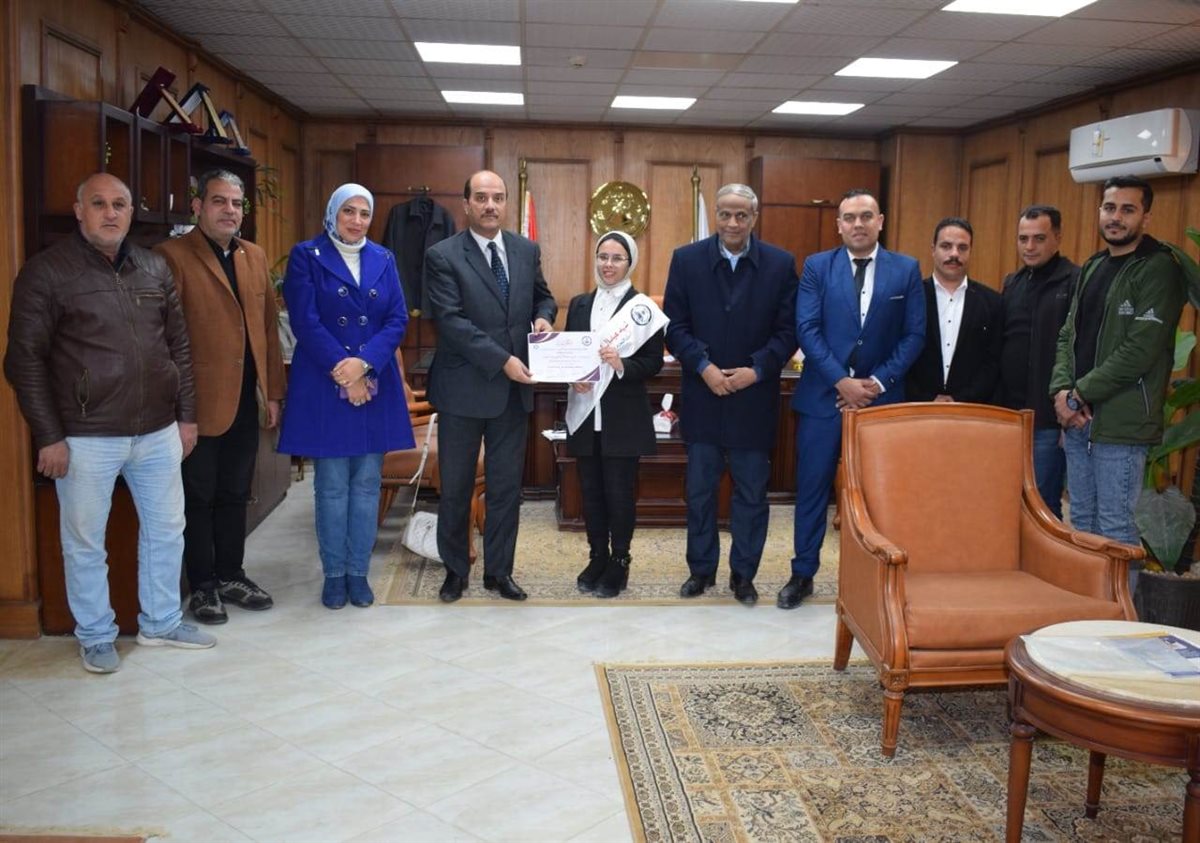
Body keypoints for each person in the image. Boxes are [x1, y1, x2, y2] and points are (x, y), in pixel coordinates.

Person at [4, 173, 215, 673]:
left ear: (130, 212)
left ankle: (161, 622)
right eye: (98, 203)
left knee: (167, 530)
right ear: (79, 210)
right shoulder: (47, 272)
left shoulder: (153, 266)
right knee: (84, 541)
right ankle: (96, 634)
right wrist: (49, 436)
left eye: (119, 204)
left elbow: (179, 347)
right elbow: (23, 361)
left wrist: (186, 417)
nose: (110, 213)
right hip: (85, 436)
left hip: (158, 431)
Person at [155, 169, 287, 624]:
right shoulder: (172, 256)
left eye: (236, 203)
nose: (229, 210)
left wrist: (272, 393)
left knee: (235, 493)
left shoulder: (253, 255)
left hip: (245, 402)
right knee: (198, 497)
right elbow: (167, 341)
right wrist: (180, 413)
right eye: (219, 201)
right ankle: (203, 586)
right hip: (197, 406)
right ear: (197, 206)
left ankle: (232, 575)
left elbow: (267, 331)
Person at [277, 183, 414, 610]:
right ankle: (335, 575)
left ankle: (359, 572)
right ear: (332, 213)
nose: (356, 220)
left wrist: (364, 365)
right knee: (333, 486)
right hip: (325, 383)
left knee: (368, 483)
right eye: (348, 211)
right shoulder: (307, 255)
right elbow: (305, 321)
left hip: (374, 382)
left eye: (364, 213)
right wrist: (344, 370)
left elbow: (397, 319)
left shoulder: (383, 258)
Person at [423, 170, 557, 603]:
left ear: (506, 203)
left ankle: (500, 573)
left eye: (498, 198)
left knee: (505, 489)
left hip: (512, 397)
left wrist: (544, 318)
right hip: (463, 390)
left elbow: (543, 296)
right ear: (466, 204)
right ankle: (455, 571)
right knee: (456, 488)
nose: (490, 205)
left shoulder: (525, 249)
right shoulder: (443, 255)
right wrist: (504, 361)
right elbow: (452, 322)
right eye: (481, 198)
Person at [663, 183, 798, 607]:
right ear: (716, 216)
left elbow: (788, 331)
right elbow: (674, 327)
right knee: (700, 492)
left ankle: (743, 575)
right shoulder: (686, 260)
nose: (733, 223)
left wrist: (756, 370)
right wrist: (703, 366)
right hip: (703, 397)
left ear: (754, 217)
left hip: (753, 401)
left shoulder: (780, 264)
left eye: (742, 215)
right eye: (725, 214)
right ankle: (701, 570)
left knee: (751, 496)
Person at [789, 188, 924, 609]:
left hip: (881, 402)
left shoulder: (906, 269)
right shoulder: (817, 267)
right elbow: (806, 328)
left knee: (879, 494)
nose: (858, 224)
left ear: (880, 221)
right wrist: (841, 382)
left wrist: (875, 383)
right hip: (823, 399)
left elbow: (914, 334)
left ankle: (878, 576)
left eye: (866, 216)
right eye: (849, 217)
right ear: (839, 225)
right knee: (812, 489)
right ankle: (802, 573)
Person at [1050, 175, 1186, 560]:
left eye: (1128, 209)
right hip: (1078, 421)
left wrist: (1078, 395)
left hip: (1120, 426)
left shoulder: (1158, 269)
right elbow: (1068, 334)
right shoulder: (1094, 265)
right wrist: (1061, 391)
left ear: (1146, 217)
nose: (1116, 217)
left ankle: (1122, 603)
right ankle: (1088, 601)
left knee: (1116, 530)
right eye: (1110, 208)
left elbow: (1139, 351)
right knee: (1082, 523)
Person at [565, 230, 667, 598]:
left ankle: (620, 560)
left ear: (630, 263)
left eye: (616, 258)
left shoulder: (643, 309)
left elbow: (653, 363)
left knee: (619, 493)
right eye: (603, 257)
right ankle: (597, 557)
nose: (608, 265)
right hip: (584, 413)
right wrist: (573, 376)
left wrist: (622, 364)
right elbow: (570, 353)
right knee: (591, 492)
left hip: (622, 416)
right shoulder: (578, 304)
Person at [995, 205, 1077, 519]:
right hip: (1009, 416)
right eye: (1023, 239)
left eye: (1039, 238)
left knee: (1043, 507)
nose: (1029, 247)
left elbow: (1080, 350)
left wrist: (1068, 409)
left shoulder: (1075, 282)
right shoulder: (1012, 283)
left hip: (1049, 419)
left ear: (1057, 238)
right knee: (1007, 500)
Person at [906, 217, 1003, 403]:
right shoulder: (911, 297)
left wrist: (959, 400)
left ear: (971, 251)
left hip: (970, 409)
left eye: (962, 248)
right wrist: (927, 399)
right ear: (933, 249)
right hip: (917, 408)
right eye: (946, 246)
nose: (954, 254)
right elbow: (900, 353)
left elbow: (993, 363)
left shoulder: (992, 302)